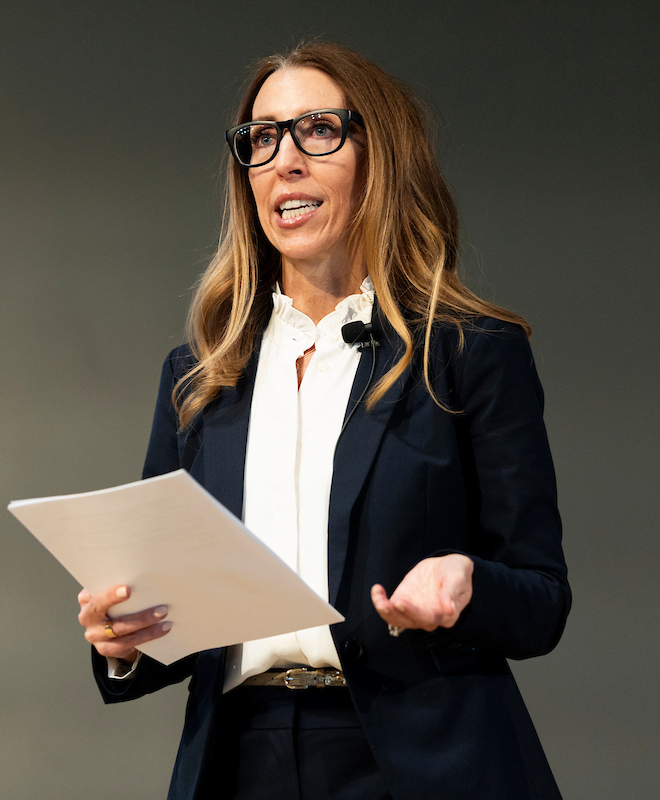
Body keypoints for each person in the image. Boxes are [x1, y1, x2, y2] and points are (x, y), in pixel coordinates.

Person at [75, 40, 569, 800]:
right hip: (240, 761)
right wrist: (125, 639)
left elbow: (541, 601)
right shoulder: (200, 376)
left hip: (421, 763)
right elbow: (170, 613)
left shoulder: (470, 353)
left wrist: (469, 584)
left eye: (318, 130)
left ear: (381, 157)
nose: (285, 160)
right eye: (262, 138)